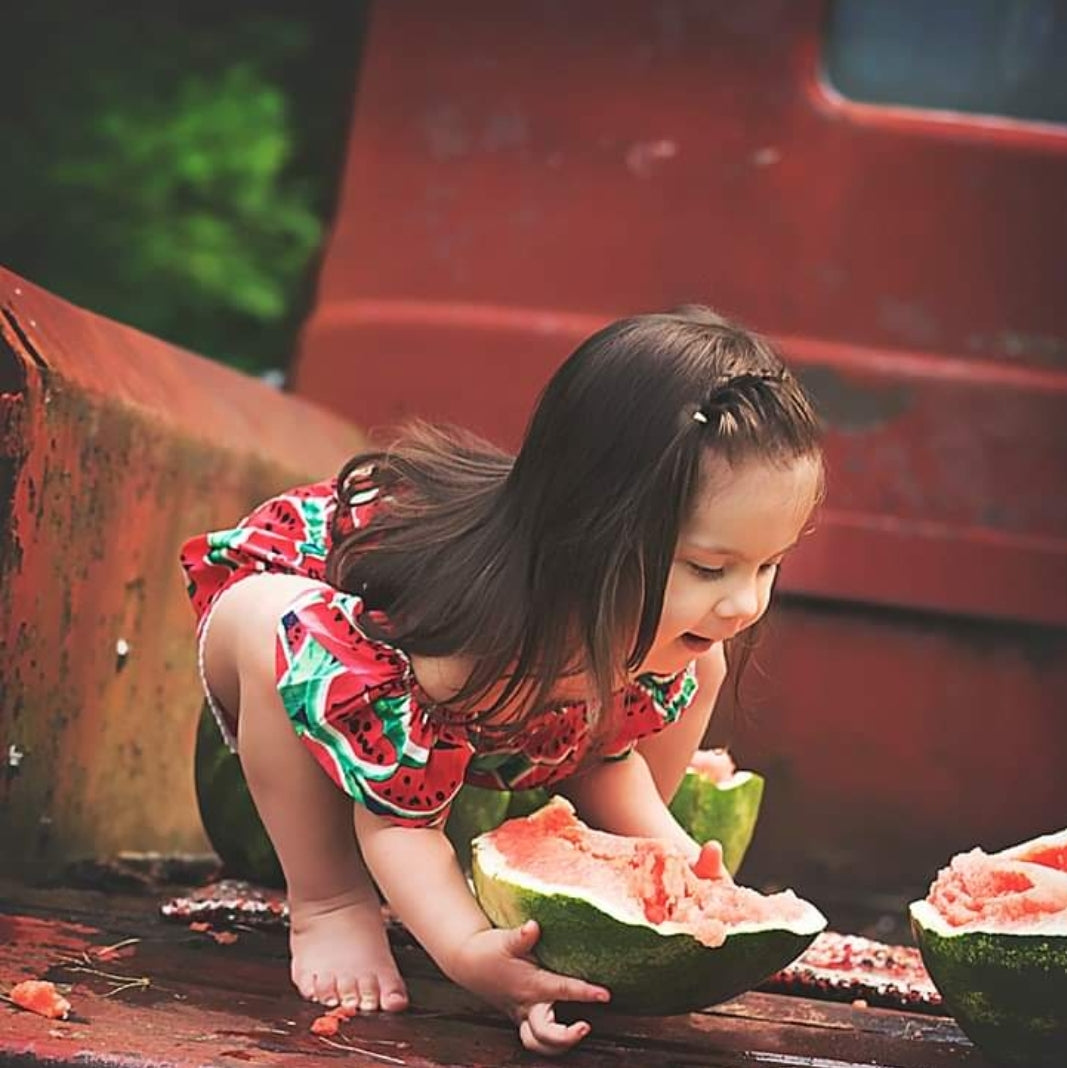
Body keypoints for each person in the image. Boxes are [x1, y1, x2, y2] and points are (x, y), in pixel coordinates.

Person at [179, 306, 823, 1055]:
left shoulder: (653, 634)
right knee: (270, 619)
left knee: (701, 662)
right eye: (710, 568)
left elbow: (607, 760)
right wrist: (464, 953)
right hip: (311, 653)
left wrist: (676, 867)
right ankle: (327, 904)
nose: (743, 603)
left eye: (768, 565)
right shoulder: (467, 648)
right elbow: (397, 824)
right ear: (593, 533)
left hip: (496, 710)